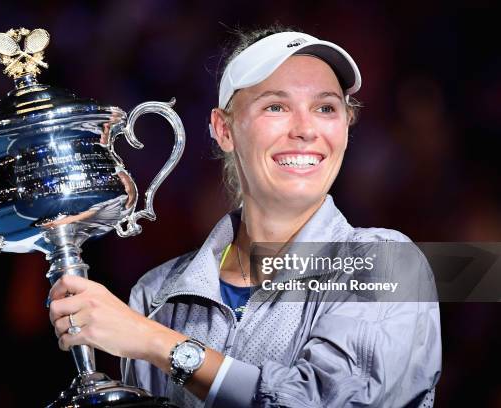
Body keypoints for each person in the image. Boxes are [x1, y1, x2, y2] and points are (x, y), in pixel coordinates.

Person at [48, 26, 442, 407]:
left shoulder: (388, 265)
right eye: (276, 106)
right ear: (224, 129)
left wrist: (156, 343)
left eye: (325, 108)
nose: (306, 129)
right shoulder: (156, 295)